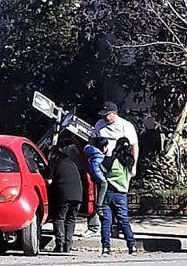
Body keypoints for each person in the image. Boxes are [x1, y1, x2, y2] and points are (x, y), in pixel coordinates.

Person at [80, 101, 139, 237]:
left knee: (117, 195)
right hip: (102, 164)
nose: (105, 118)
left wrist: (133, 166)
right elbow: (92, 140)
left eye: (107, 115)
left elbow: (134, 146)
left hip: (119, 166)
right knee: (97, 195)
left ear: (114, 114)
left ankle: (117, 228)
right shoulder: (100, 124)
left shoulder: (126, 126)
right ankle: (94, 226)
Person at [90, 136, 137, 255]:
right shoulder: (129, 162)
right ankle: (132, 246)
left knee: (106, 221)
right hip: (121, 194)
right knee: (124, 220)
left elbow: (100, 171)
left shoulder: (111, 160)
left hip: (108, 193)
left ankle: (106, 247)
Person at [47, 146, 83, 253]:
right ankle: (68, 244)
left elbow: (49, 181)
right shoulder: (71, 163)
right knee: (71, 219)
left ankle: (60, 245)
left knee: (59, 218)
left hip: (63, 194)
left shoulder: (55, 163)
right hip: (77, 195)